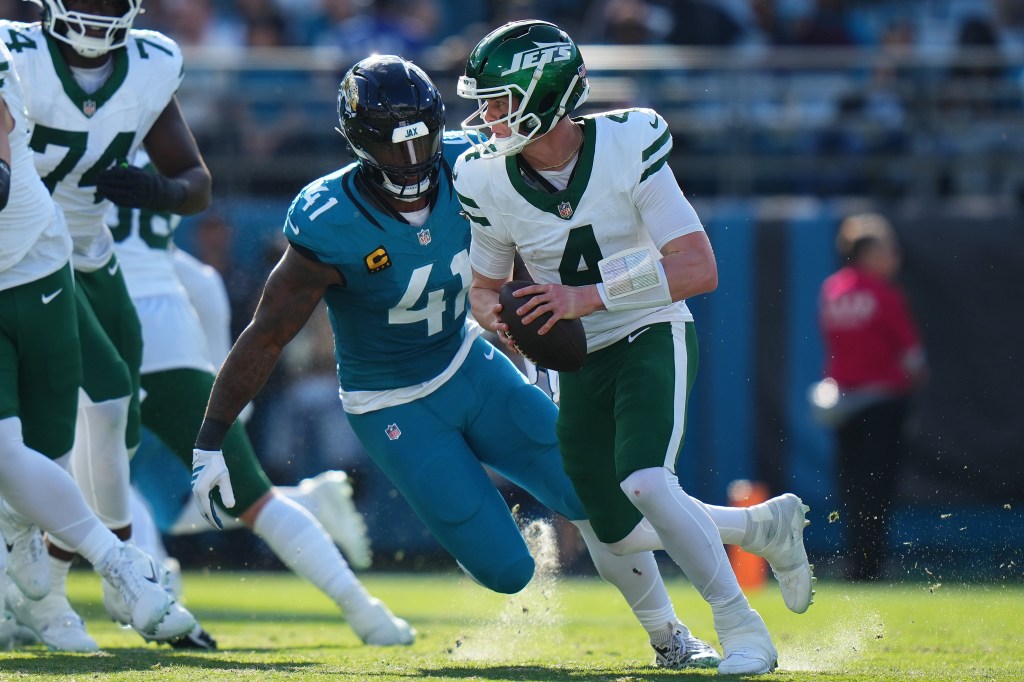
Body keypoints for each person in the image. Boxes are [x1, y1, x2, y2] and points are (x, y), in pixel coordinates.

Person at [192, 53, 809, 670]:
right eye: (392, 143)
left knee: (599, 504)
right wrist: (212, 438)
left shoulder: (476, 163)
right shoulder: (331, 218)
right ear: (359, 142)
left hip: (469, 363)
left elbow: (531, 231)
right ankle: (754, 527)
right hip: (390, 402)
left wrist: (531, 322)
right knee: (509, 570)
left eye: (421, 138)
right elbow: (267, 334)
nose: (411, 158)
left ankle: (669, 636)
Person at [453, 20, 813, 675]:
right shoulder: (484, 177)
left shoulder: (628, 141)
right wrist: (499, 319)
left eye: (500, 101)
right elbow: (484, 286)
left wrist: (586, 297)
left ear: (545, 94)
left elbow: (698, 266)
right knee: (611, 532)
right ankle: (760, 527)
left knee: (648, 482)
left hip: (650, 330)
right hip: (575, 361)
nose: (487, 117)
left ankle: (743, 630)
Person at [0, 0, 209, 650]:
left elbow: (195, 180)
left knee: (105, 410)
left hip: (57, 255)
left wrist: (163, 193)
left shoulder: (145, 64)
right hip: (35, 252)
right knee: (18, 443)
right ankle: (65, 593)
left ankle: (88, 575)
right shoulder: (19, 51)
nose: (94, 13)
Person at [817, 212, 926, 581]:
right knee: (877, 487)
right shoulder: (884, 294)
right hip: (882, 403)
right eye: (887, 250)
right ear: (870, 254)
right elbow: (912, 358)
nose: (895, 257)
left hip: (844, 404)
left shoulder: (832, 289)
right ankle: (870, 564)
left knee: (852, 485)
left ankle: (855, 560)